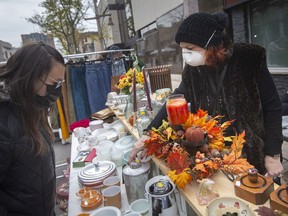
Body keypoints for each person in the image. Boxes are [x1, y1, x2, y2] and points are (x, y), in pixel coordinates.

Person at [129, 12, 284, 180]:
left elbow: (273, 107)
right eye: (182, 49)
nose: (186, 55)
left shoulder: (248, 59)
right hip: (210, 151)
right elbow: (175, 99)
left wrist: (273, 154)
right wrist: (148, 133)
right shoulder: (194, 69)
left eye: (190, 49)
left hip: (251, 149)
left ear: (212, 45)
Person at [0, 42, 65, 215]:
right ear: (31, 77)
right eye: (54, 83)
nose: (57, 91)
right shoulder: (4, 126)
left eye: (60, 84)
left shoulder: (33, 110)